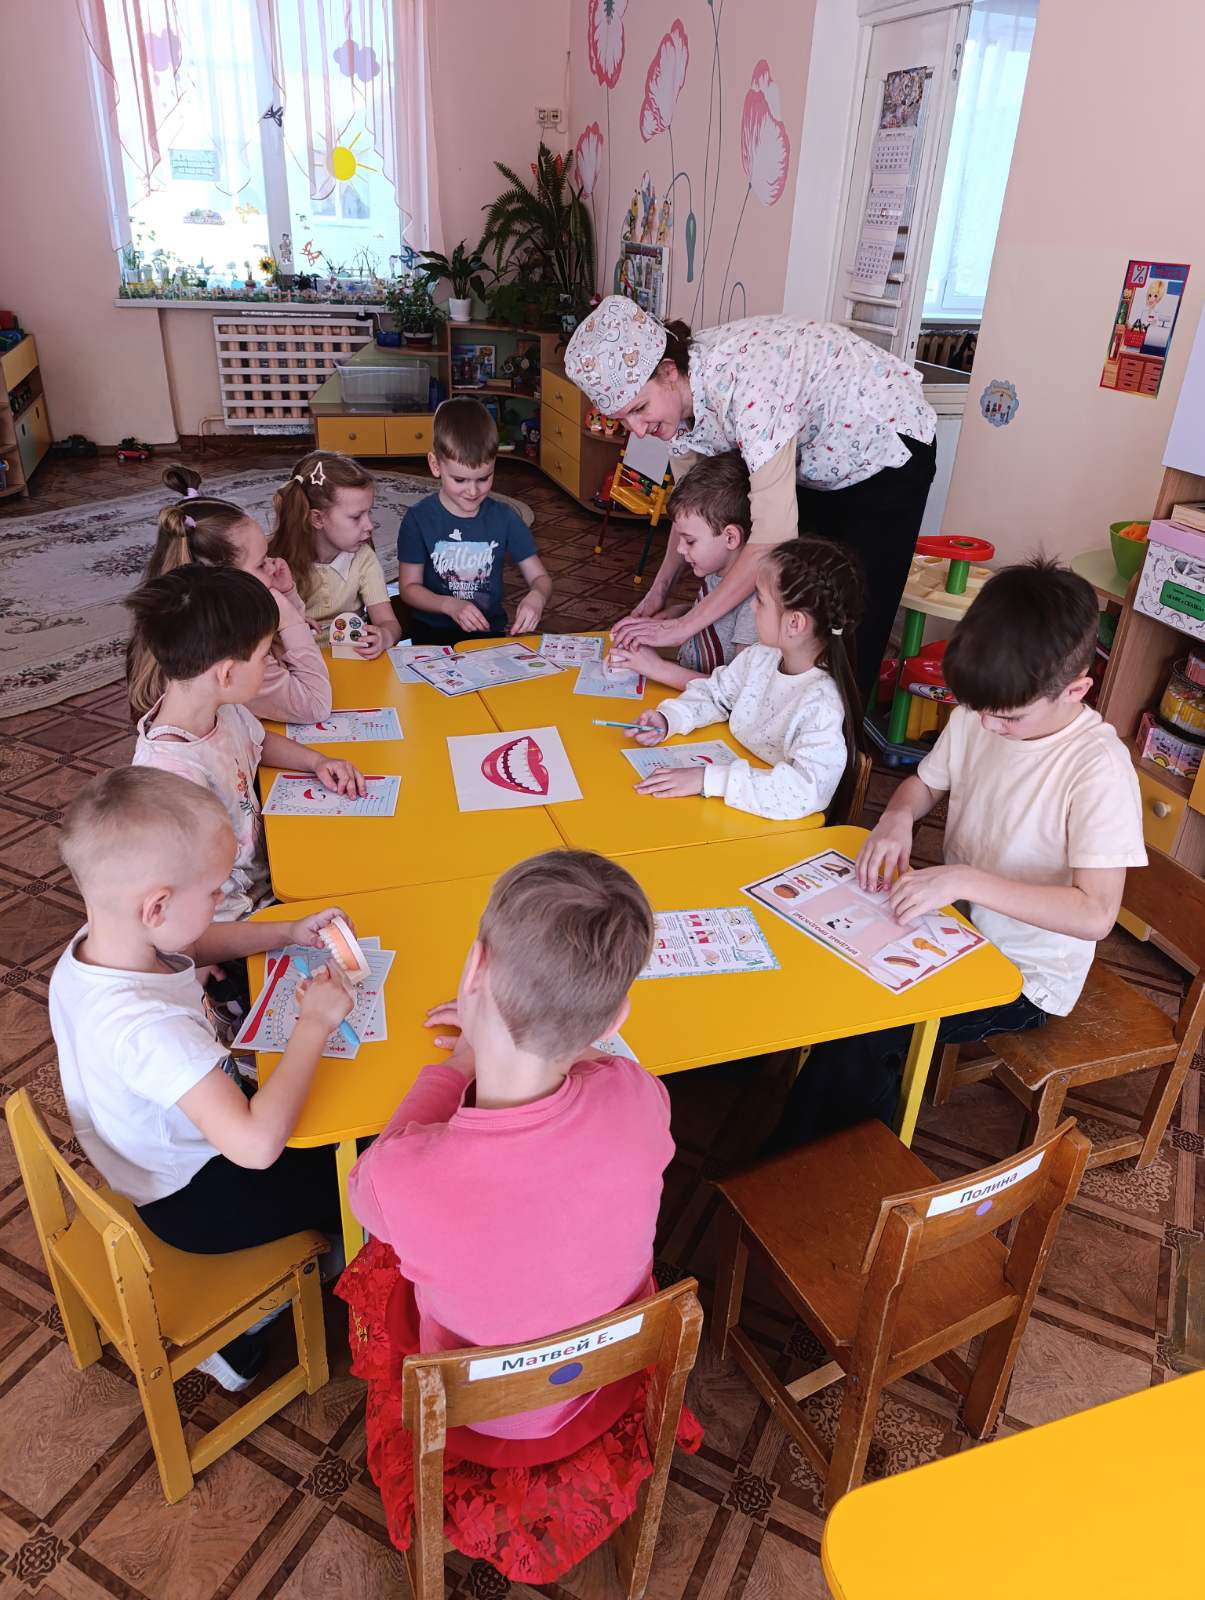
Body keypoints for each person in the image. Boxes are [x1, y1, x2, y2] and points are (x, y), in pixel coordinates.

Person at [335, 849, 700, 1580]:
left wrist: (460, 1061)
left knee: (382, 1260)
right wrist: (509, 1036)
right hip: (606, 1384)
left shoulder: (405, 1176)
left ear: (474, 968)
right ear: (615, 1019)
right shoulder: (638, 1093)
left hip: (476, 1420)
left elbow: (369, 1185)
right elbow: (597, 1081)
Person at [767, 559, 1148, 1149]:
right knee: (823, 963)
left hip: (1022, 974)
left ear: (1076, 690)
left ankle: (825, 1172)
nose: (989, 725)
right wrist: (897, 817)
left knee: (868, 1028)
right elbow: (924, 784)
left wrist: (964, 880)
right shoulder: (985, 708)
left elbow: (1096, 913)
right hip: (946, 927)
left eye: (1009, 717)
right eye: (981, 709)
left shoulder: (1097, 768)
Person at [50, 766, 354, 1388]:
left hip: (157, 1163)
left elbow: (195, 943)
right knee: (367, 1164)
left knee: (327, 1126)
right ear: (157, 906)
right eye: (215, 890)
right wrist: (314, 1025)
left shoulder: (103, 945)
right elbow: (256, 1147)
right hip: (199, 1202)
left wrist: (286, 931)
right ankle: (254, 1318)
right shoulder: (148, 1029)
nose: (221, 899)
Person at [564, 295, 937, 705]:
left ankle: (837, 735)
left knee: (846, 621)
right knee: (790, 606)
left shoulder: (748, 388)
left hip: (884, 451)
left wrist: (684, 626)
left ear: (668, 372)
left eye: (639, 409)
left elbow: (771, 538)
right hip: (815, 458)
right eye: (623, 419)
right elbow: (692, 514)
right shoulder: (679, 406)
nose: (637, 430)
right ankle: (774, 714)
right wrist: (659, 592)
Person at [126, 565, 364, 922]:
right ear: (227, 673)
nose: (271, 662)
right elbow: (183, 913)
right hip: (233, 919)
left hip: (271, 876)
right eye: (265, 655)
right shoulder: (169, 777)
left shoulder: (223, 708)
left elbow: (258, 741)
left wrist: (316, 761)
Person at [627, 538, 864, 823]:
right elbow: (715, 693)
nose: (751, 606)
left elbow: (802, 792)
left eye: (760, 600)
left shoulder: (822, 704)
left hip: (769, 823)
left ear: (795, 623)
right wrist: (669, 719)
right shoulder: (761, 656)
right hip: (732, 798)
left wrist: (707, 779)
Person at [127, 466, 332, 725]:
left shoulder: (184, 620)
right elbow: (314, 704)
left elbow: (286, 657)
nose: (273, 565)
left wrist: (288, 595)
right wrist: (290, 620)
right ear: (226, 582)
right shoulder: (232, 651)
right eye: (261, 563)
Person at [396, 397, 552, 644]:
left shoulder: (504, 518)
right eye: (460, 480)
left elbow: (540, 578)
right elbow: (409, 588)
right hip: (431, 636)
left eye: (484, 478)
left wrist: (537, 597)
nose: (473, 491)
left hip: (488, 636)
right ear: (435, 465)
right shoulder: (418, 520)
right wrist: (449, 605)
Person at [608, 451, 757, 690]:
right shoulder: (716, 570)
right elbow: (717, 625)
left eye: (689, 541)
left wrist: (657, 668)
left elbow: (739, 693)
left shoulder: (757, 606)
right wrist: (678, 614)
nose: (679, 549)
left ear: (730, 537)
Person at [270, 451, 402, 658]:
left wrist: (384, 635)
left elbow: (388, 622)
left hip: (352, 660)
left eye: (369, 512)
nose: (369, 525)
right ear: (317, 519)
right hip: (298, 663)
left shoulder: (363, 557)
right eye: (356, 517)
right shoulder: (275, 563)